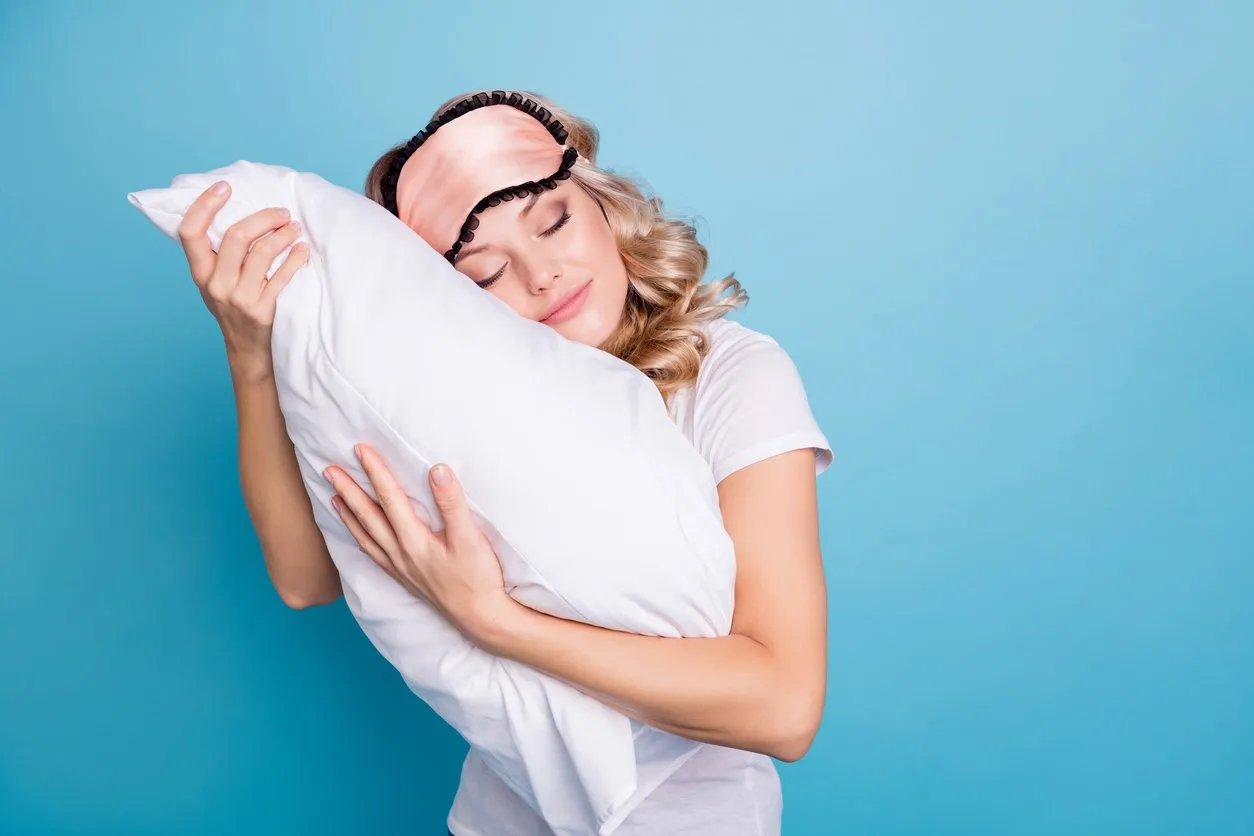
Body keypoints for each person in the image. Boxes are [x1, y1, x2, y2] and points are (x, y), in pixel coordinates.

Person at [175, 88, 832, 836]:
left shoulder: (731, 377)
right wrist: (252, 357)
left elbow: (784, 708)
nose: (542, 274)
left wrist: (492, 618)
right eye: (486, 273)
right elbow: (305, 580)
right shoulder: (452, 418)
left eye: (553, 223)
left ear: (601, 203)